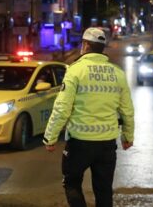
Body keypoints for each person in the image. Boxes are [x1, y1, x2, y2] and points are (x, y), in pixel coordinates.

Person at [43, 27, 135, 207]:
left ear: (85, 45)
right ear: (102, 47)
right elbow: (127, 110)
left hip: (80, 144)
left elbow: (62, 107)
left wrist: (50, 137)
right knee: (104, 190)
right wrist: (128, 137)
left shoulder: (76, 71)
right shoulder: (117, 73)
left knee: (72, 183)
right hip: (107, 145)